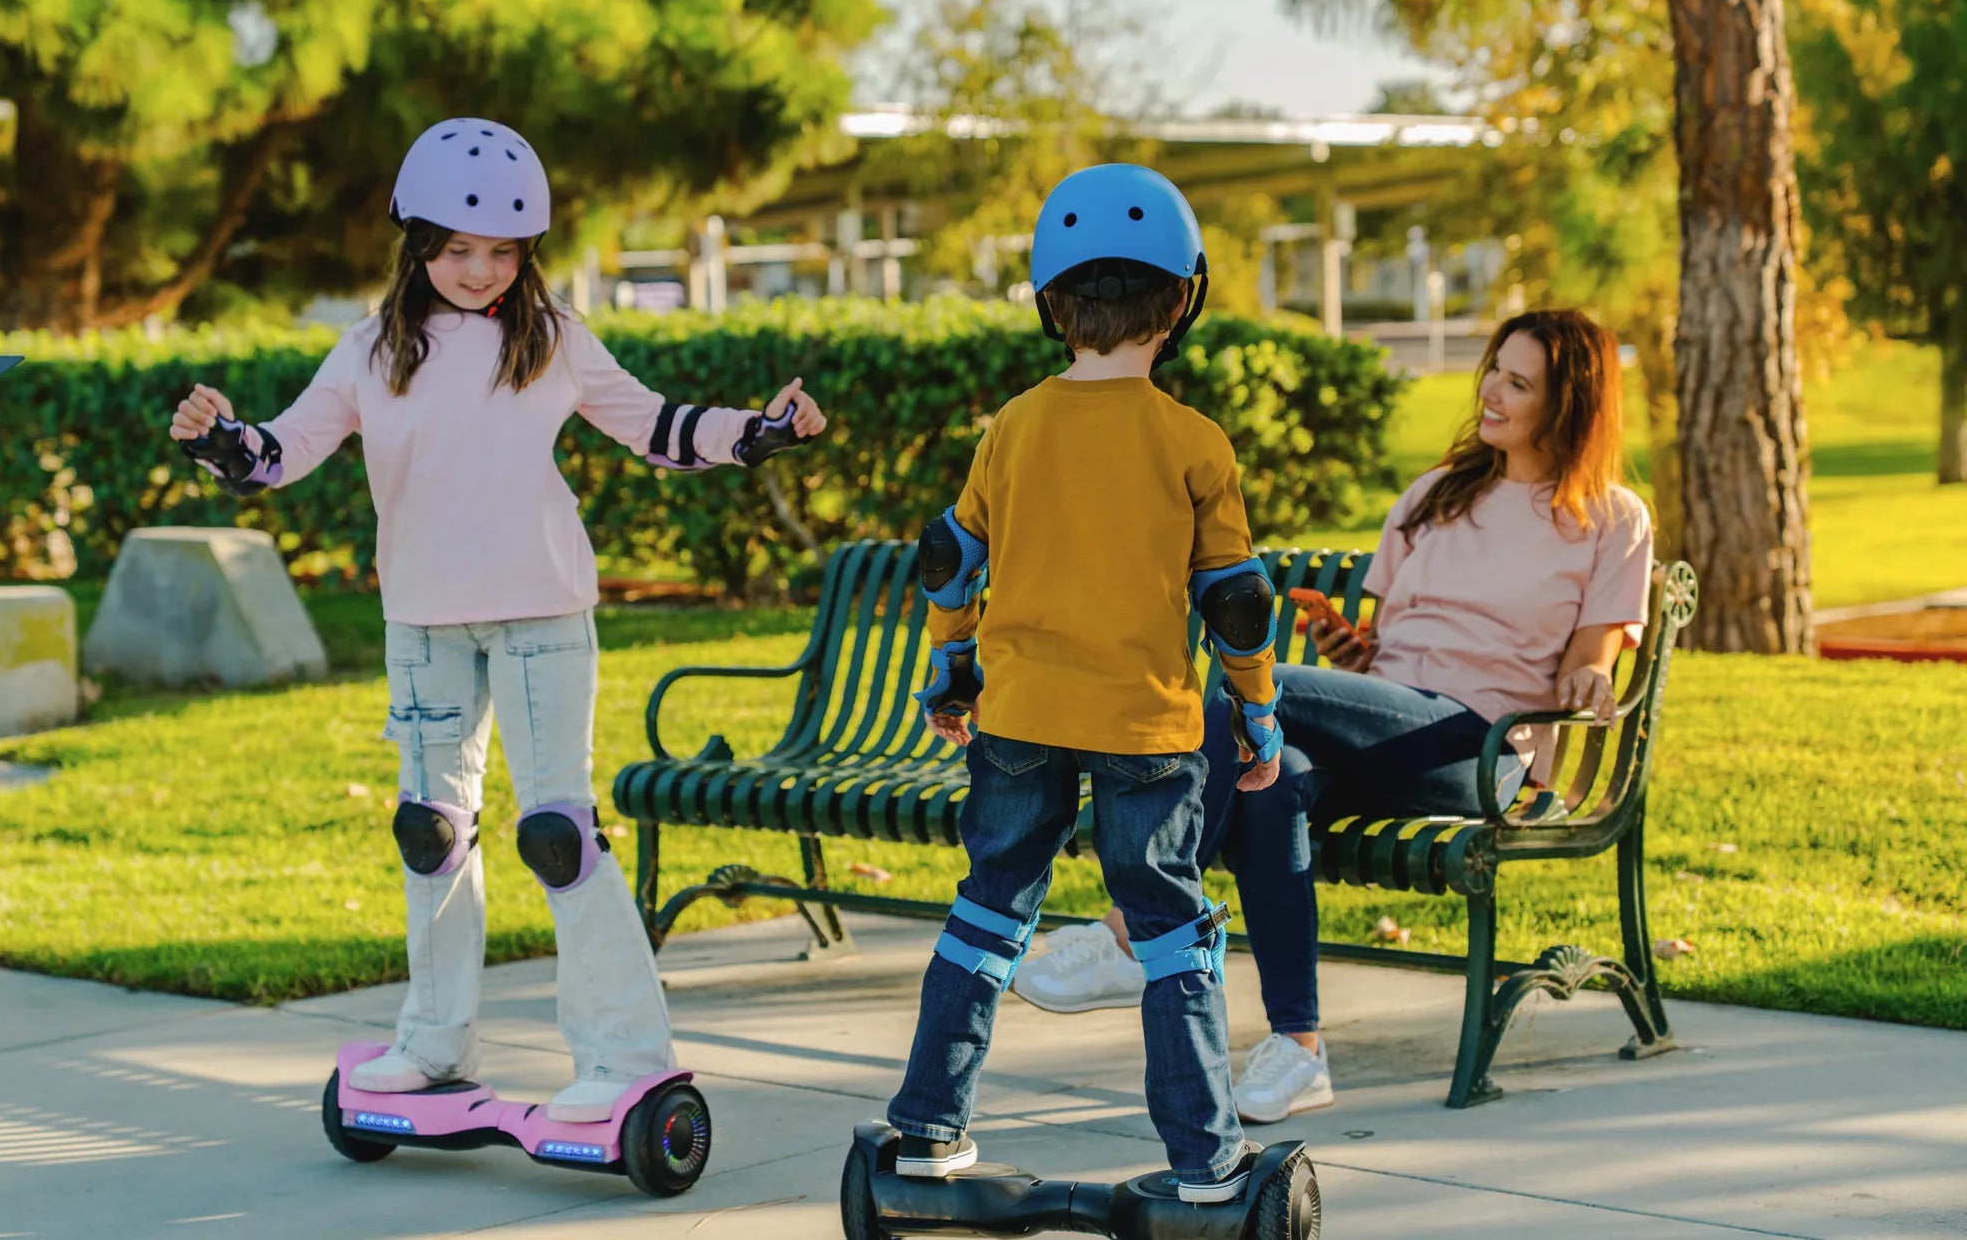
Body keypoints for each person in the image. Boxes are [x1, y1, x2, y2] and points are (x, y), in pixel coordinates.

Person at [166, 117, 826, 1122]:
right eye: (456, 249)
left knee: (557, 830)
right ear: (416, 244)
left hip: (540, 614)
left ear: (528, 253)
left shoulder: (553, 340)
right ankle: (434, 1041)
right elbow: (280, 453)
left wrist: (759, 431)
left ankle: (623, 1053)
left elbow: (656, 426)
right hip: (422, 619)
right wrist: (221, 441)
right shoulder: (366, 352)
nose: (479, 270)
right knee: (429, 831)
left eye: (502, 251)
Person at [1011, 309, 1655, 1125]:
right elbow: (1403, 650)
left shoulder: (1609, 519)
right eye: (1494, 368)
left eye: (1518, 382)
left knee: (1247, 689)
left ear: (1570, 403)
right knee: (1270, 781)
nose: (1490, 389)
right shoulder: (1435, 496)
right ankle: (1300, 1048)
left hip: (1484, 748)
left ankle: (1132, 927)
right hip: (1393, 726)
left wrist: (1595, 684)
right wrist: (1354, 653)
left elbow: (1589, 659)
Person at [884, 163, 1286, 1204]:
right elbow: (1235, 600)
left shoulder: (1010, 427)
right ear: (1181, 300)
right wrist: (1256, 710)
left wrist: (949, 677)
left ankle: (928, 1127)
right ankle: (1204, 1159)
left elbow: (949, 565)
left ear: (1049, 304)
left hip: (1016, 716)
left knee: (985, 912)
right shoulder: (1192, 441)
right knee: (1166, 931)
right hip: (1143, 727)